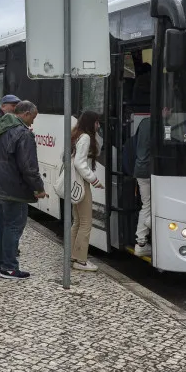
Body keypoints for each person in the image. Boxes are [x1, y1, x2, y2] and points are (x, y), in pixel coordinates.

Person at [0, 100, 48, 280]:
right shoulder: (23, 133)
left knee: (1, 225)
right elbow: (29, 167)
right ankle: (10, 267)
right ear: (25, 114)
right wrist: (39, 188)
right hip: (12, 189)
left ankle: (0, 264)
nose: (32, 122)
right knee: (13, 226)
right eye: (33, 118)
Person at [69, 111, 104, 272]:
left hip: (75, 181)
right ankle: (81, 260)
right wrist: (94, 180)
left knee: (77, 221)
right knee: (85, 223)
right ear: (92, 123)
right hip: (82, 182)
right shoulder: (86, 138)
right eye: (97, 122)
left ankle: (73, 255)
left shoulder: (76, 134)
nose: (98, 125)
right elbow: (79, 163)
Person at [133, 115, 152, 257]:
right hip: (150, 171)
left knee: (146, 205)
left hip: (139, 168)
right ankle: (142, 241)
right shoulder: (159, 124)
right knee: (152, 206)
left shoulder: (144, 122)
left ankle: (141, 242)